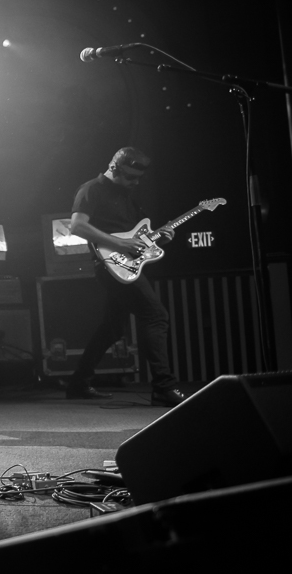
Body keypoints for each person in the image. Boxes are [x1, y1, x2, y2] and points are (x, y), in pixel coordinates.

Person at [68, 147, 187, 407]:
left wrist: (159, 237)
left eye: (138, 178)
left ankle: (78, 382)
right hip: (109, 265)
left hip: (128, 264)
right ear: (114, 168)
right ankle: (163, 387)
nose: (135, 183)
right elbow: (76, 226)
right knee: (156, 316)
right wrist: (119, 245)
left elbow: (135, 237)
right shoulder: (91, 189)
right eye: (130, 177)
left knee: (112, 328)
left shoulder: (129, 197)